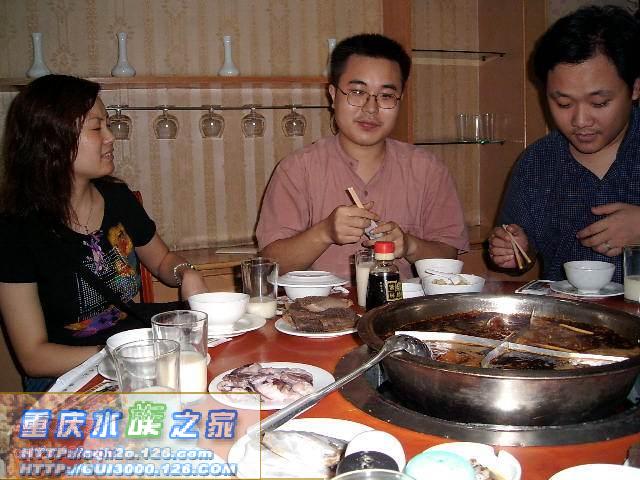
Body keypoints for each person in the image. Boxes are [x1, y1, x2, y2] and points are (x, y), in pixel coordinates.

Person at [0, 74, 208, 390]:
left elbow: (162, 260)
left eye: (107, 125)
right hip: (69, 376)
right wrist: (122, 355)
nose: (111, 137)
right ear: (52, 139)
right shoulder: (16, 230)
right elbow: (33, 357)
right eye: (97, 128)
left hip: (135, 358)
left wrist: (185, 272)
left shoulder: (117, 197)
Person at [256, 33, 468, 281]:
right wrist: (324, 233)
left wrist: (410, 245)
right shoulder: (297, 169)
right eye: (357, 92)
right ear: (333, 95)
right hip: (319, 305)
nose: (371, 108)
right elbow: (270, 264)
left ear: (400, 100)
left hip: (401, 304)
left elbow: (448, 257)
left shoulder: (428, 170)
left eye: (386, 96)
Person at [489, 5, 640, 283]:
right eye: (563, 103)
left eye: (599, 103)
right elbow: (521, 256)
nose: (580, 121)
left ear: (635, 88)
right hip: (565, 311)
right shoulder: (537, 162)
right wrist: (515, 250)